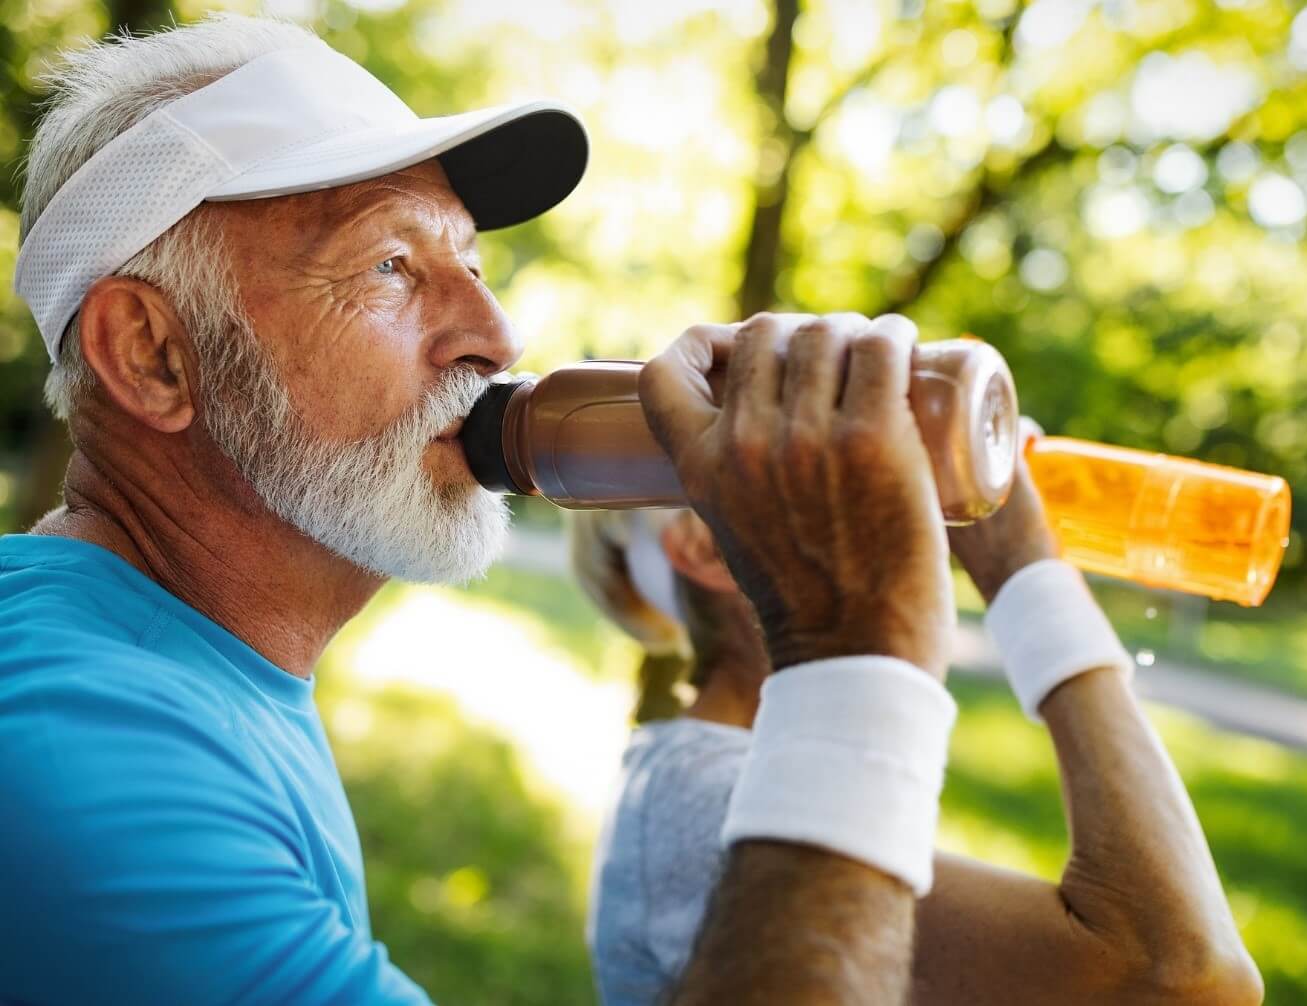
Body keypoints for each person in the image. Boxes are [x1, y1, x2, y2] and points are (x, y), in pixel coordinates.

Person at [2, 14, 998, 1004]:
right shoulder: (83, 761)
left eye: (469, 265)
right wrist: (859, 653)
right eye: (389, 264)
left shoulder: (170, 664)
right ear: (150, 353)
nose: (496, 334)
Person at [575, 443, 1265, 1005]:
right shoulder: (711, 800)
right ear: (703, 546)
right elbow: (1180, 974)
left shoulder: (725, 770)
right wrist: (1027, 577)